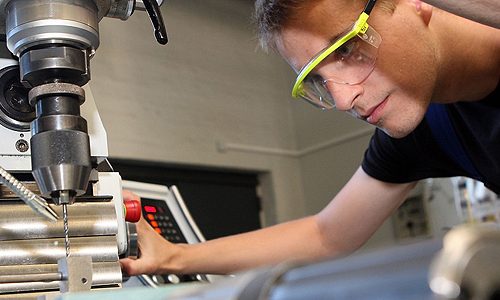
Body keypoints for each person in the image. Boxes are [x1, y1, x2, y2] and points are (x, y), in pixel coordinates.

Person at [120, 0, 500, 276]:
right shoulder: (425, 129)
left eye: (347, 48)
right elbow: (328, 234)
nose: (342, 98)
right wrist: (172, 257)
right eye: (318, 79)